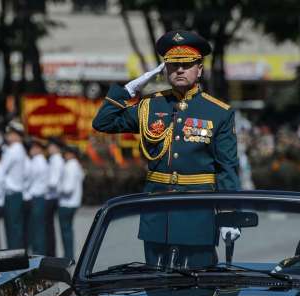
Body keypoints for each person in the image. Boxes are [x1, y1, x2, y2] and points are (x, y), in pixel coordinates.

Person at [92, 30, 240, 268]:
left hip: (197, 213)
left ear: (199, 69)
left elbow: (227, 168)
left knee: (197, 293)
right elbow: (103, 122)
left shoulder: (218, 112)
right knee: (156, 289)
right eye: (173, 65)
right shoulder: (149, 106)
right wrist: (129, 89)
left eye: (186, 64)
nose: (179, 70)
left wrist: (229, 216)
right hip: (157, 211)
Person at [1, 121, 27, 249]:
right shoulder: (20, 149)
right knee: (16, 228)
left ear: (17, 135)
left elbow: (1, 169)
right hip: (17, 193)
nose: (8, 136)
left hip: (11, 193)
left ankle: (13, 258)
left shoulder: (13, 150)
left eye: (11, 133)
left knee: (12, 229)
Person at [58, 145, 84, 261]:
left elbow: (68, 188)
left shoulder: (70, 166)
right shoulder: (76, 165)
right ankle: (69, 255)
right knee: (68, 231)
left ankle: (68, 256)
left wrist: (58, 189)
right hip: (72, 202)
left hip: (66, 202)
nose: (65, 154)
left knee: (66, 232)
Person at [26, 139, 48, 255]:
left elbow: (28, 178)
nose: (31, 150)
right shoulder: (40, 161)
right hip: (38, 197)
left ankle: (38, 253)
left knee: (37, 228)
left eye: (33, 148)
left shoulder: (37, 161)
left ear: (39, 149)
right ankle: (38, 252)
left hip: (37, 197)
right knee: (37, 227)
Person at [44, 137, 65, 256]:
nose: (49, 148)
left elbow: (53, 182)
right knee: (49, 228)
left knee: (49, 228)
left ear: (56, 147)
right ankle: (51, 252)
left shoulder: (56, 160)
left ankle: (51, 253)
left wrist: (43, 185)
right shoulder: (55, 159)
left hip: (51, 197)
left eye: (51, 146)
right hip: (51, 196)